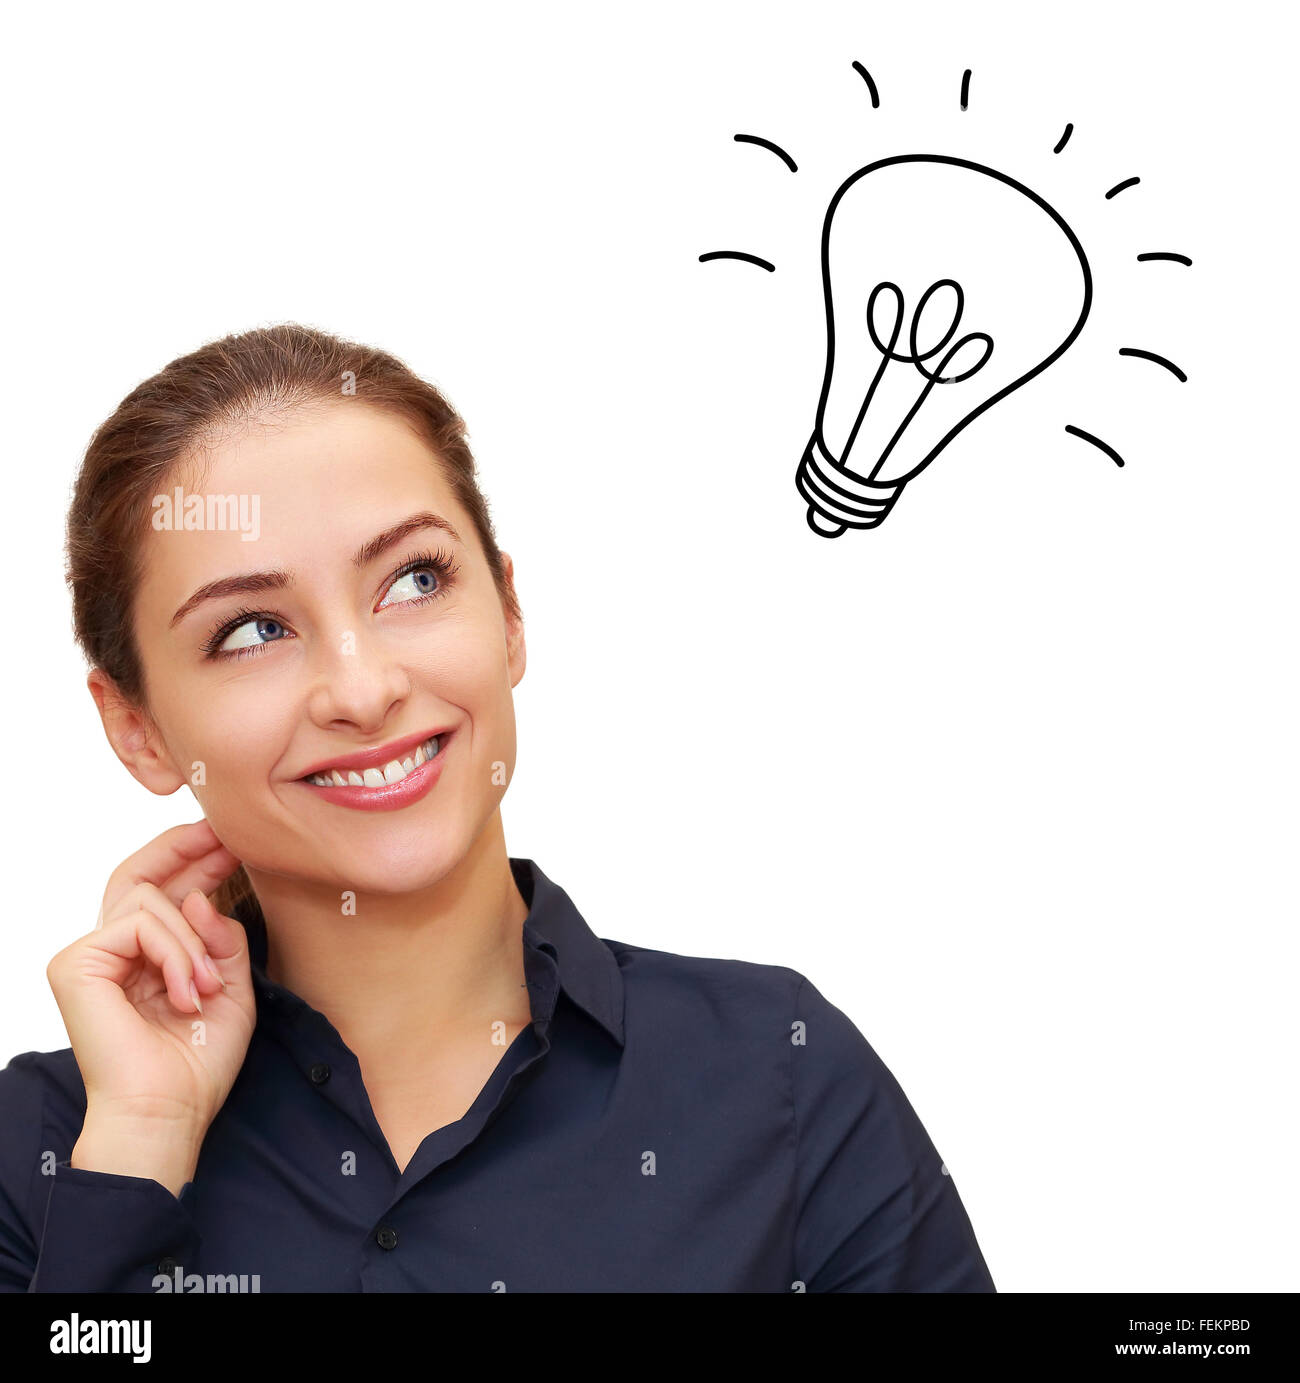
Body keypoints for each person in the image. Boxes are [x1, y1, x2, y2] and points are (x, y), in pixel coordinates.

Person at [0, 324, 995, 1292]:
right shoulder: (45, 1151)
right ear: (135, 727)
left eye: (413, 579)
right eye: (254, 629)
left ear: (509, 616)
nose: (363, 687)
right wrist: (138, 1146)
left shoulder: (780, 1075)